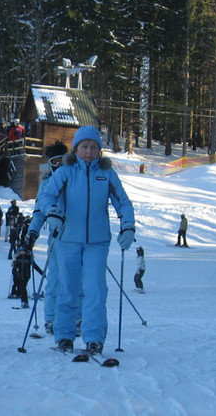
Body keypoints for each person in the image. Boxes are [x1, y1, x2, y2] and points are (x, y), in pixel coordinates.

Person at [26, 126, 135, 356]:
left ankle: (94, 338)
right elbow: (45, 196)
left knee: (96, 290)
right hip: (68, 240)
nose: (88, 151)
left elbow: (123, 202)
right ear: (76, 149)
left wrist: (128, 226)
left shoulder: (107, 174)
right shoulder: (66, 172)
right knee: (68, 289)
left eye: (93, 147)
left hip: (97, 242)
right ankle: (64, 335)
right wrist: (53, 213)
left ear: (99, 150)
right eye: (84, 147)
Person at [27, 141, 69, 335]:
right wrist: (32, 233)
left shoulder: (73, 179)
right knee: (54, 279)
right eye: (54, 161)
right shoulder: (46, 183)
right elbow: (38, 211)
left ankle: (75, 317)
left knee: (77, 280)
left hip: (78, 236)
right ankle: (51, 318)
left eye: (61, 160)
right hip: (56, 237)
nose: (58, 165)